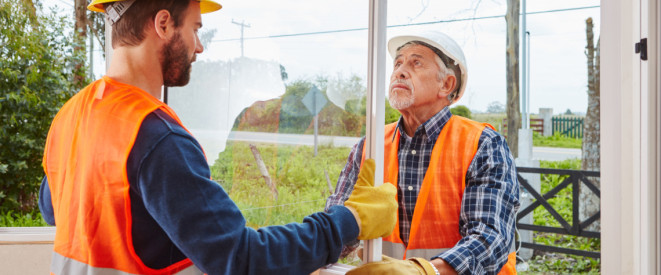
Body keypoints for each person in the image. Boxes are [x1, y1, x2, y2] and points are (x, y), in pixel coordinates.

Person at [38, 0, 397, 274]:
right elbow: (242, 258)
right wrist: (349, 220)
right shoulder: (155, 135)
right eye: (195, 28)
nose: (199, 46)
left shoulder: (71, 115)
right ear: (163, 23)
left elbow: (56, 210)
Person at [327, 30, 520, 275]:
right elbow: (336, 228)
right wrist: (312, 253)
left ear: (447, 84)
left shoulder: (483, 144)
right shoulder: (370, 145)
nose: (400, 71)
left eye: (416, 62)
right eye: (398, 63)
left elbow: (489, 240)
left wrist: (428, 271)